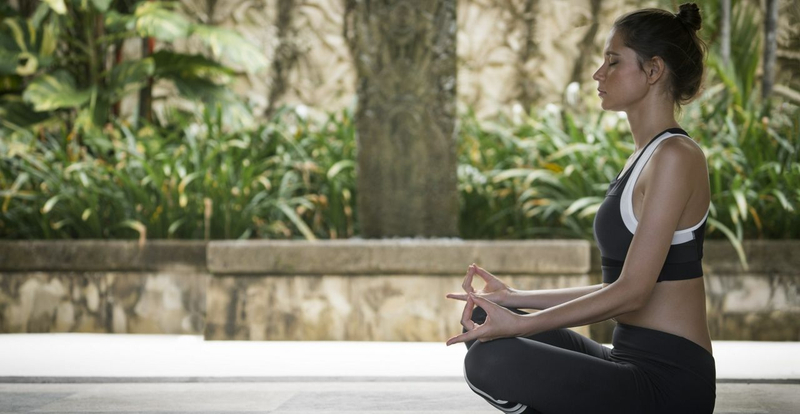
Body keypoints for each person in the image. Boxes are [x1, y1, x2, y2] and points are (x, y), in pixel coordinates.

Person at [445, 3, 715, 414]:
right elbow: (621, 286)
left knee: (492, 360)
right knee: (487, 322)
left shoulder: (676, 156)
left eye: (613, 61)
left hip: (669, 381)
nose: (598, 74)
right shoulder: (644, 156)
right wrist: (516, 298)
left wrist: (522, 323)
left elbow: (633, 293)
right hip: (626, 358)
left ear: (654, 70)